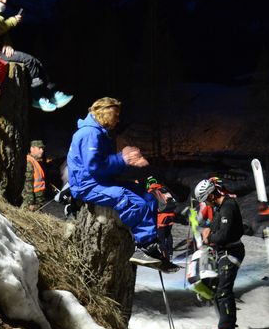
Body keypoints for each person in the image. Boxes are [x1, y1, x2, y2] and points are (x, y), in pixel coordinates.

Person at [66, 98, 166, 264]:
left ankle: (151, 243)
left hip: (100, 180)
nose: (118, 120)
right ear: (105, 114)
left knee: (147, 198)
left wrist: (129, 163)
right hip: (87, 185)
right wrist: (123, 158)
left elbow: (106, 163)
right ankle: (143, 247)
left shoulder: (100, 133)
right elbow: (94, 166)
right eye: (116, 115)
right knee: (134, 203)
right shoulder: (90, 133)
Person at [0, 0, 72, 112]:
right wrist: (12, 21)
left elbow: (0, 31)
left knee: (35, 62)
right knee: (29, 61)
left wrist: (7, 43)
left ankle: (50, 93)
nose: (5, 0)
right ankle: (38, 97)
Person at [194, 177, 245, 329]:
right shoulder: (220, 207)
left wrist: (209, 239)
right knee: (217, 291)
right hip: (224, 251)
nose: (206, 205)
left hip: (232, 252)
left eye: (205, 201)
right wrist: (208, 228)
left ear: (210, 196)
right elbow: (216, 227)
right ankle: (224, 326)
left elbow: (224, 235)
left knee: (224, 292)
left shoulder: (228, 207)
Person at [145, 177, 183, 272]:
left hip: (161, 217)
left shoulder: (151, 191)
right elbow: (176, 199)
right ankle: (170, 255)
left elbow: (150, 207)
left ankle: (165, 260)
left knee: (161, 238)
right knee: (168, 234)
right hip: (171, 215)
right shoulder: (164, 189)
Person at [22, 139, 47, 211]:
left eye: (42, 148)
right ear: (32, 149)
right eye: (39, 148)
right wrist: (30, 202)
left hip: (38, 200)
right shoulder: (29, 161)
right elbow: (28, 182)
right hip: (32, 201)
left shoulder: (35, 161)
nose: (42, 151)